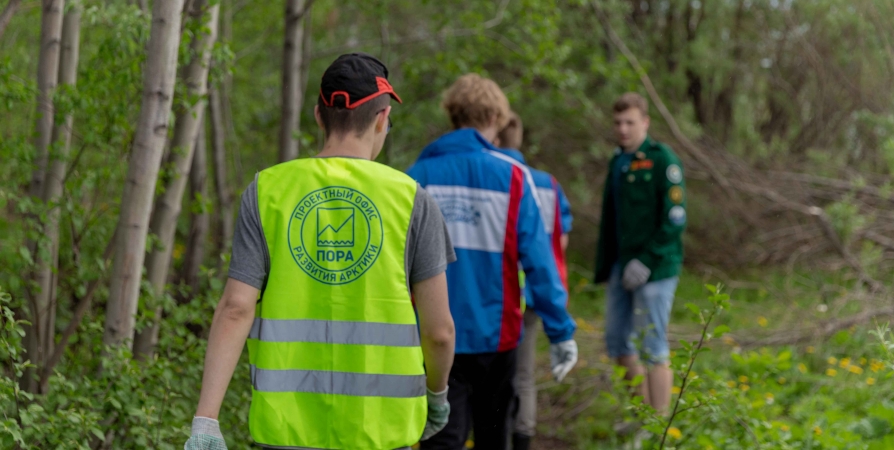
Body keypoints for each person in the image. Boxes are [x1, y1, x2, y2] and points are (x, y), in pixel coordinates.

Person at [183, 53, 457, 450]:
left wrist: (206, 419)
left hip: (285, 433)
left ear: (318, 116)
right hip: (381, 433)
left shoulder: (267, 190)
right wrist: (436, 395)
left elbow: (236, 308)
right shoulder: (412, 200)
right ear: (382, 119)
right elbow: (439, 332)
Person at [408, 74, 578, 450]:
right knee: (493, 438)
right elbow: (539, 261)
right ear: (497, 118)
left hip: (431, 336)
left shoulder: (416, 178)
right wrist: (560, 330)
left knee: (440, 441)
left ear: (452, 114)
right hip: (496, 337)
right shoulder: (513, 177)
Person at [594, 92, 686, 421]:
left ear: (644, 122)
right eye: (618, 122)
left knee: (653, 348)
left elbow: (675, 218)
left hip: (656, 268)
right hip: (622, 266)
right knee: (618, 344)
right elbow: (611, 219)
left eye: (630, 122)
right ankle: (643, 419)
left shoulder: (663, 160)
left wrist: (647, 260)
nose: (623, 129)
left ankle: (658, 429)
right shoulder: (618, 161)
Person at [493, 112, 573, 450]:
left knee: (495, 375)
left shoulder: (497, 176)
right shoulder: (548, 183)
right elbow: (561, 239)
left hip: (499, 291)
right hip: (536, 291)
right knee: (524, 373)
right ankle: (523, 435)